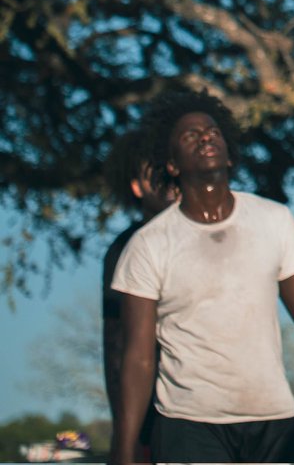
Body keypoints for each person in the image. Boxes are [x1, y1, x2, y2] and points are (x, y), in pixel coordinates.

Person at [109, 88, 294, 465]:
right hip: (190, 425)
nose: (206, 137)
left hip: (273, 419)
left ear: (230, 152)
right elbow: (137, 357)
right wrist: (123, 447)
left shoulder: (274, 221)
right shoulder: (148, 245)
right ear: (172, 165)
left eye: (213, 131)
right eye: (191, 135)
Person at [102, 129, 178, 461]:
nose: (171, 183)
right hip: (155, 418)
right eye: (157, 176)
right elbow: (116, 344)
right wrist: (126, 433)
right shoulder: (127, 248)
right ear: (137, 186)